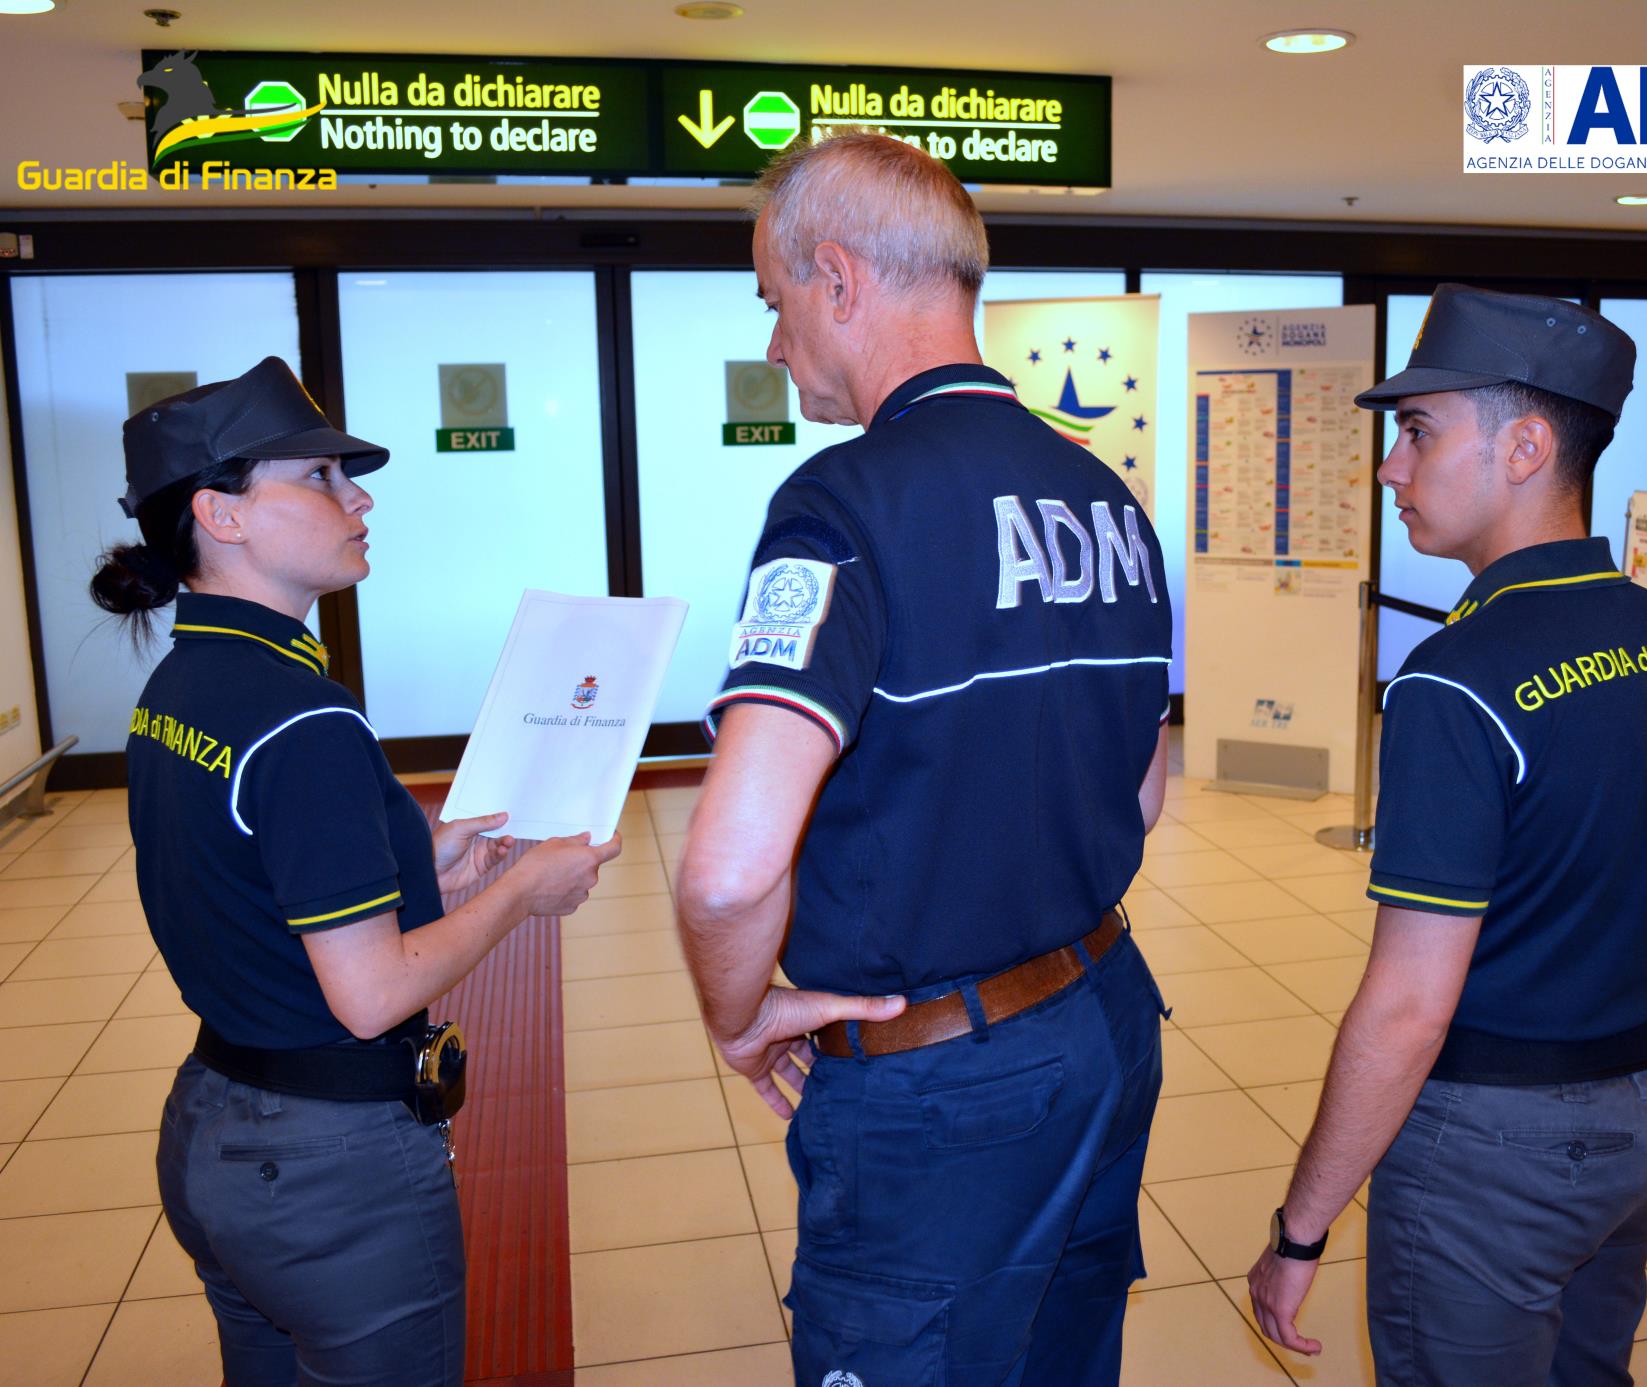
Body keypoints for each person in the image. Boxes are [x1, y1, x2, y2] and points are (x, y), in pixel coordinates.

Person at [1244, 286, 1647, 1384]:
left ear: (1524, 447)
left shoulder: (1455, 680)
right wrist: (1639, 948)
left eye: (1418, 431)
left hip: (1498, 1150)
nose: (1391, 466)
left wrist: (1301, 1229)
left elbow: (1412, 1004)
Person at [674, 132, 1173, 1386]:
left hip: (943, 1086)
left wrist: (741, 1020)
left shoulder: (842, 506)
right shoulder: (1110, 500)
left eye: (774, 302)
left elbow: (730, 871)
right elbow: (1146, 784)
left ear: (837, 279)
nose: (777, 343)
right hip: (1102, 1023)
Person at [95, 357, 620, 1387]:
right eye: (321, 478)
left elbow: (249, 879)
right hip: (330, 1172)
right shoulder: (303, 714)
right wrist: (522, 889)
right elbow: (371, 994)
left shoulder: (186, 682)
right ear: (222, 515)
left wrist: (425, 862)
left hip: (214, 1130)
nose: (360, 497)